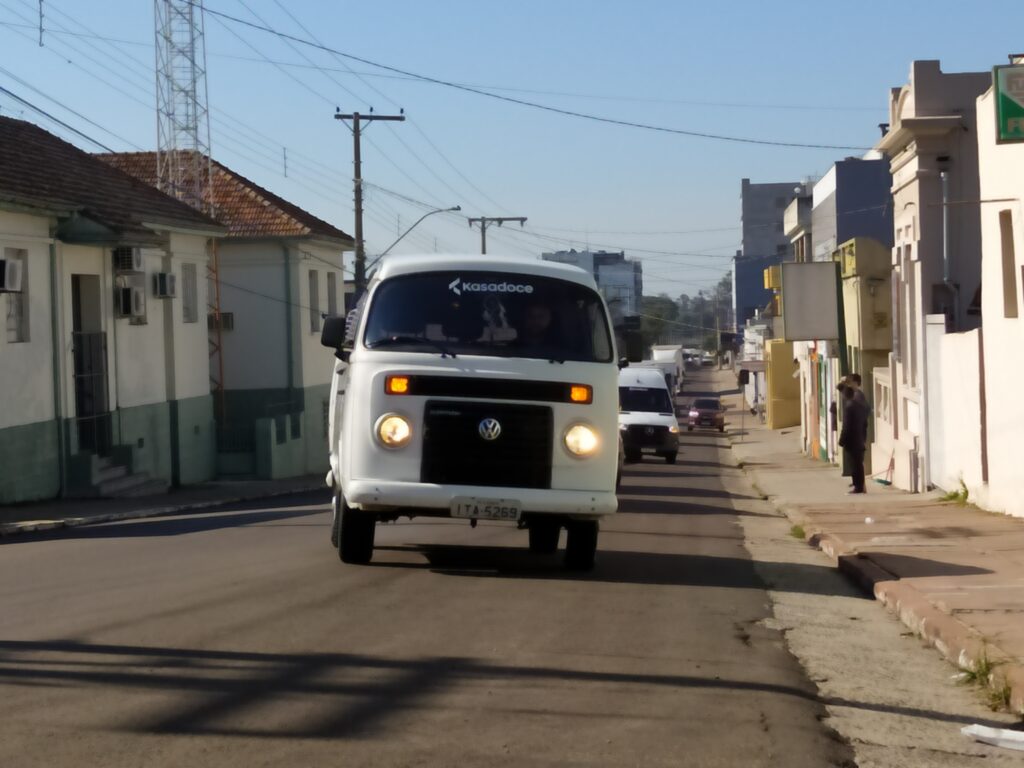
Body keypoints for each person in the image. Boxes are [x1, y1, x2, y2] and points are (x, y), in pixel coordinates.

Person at [838, 385, 868, 494]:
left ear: (844, 395)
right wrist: (863, 437)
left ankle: (858, 487)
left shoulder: (849, 408)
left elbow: (846, 426)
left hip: (852, 441)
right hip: (859, 439)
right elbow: (865, 423)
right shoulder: (859, 406)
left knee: (854, 465)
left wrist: (842, 440)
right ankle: (860, 485)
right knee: (859, 464)